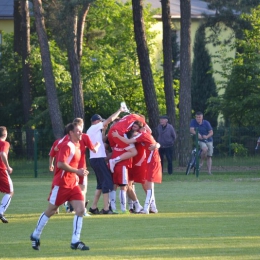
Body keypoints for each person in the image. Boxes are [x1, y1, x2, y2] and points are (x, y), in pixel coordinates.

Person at [30, 122, 90, 251]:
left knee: (80, 210)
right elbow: (61, 164)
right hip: (61, 184)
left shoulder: (78, 145)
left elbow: (73, 165)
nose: (81, 133)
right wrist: (77, 171)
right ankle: (35, 234)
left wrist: (81, 171)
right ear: (71, 133)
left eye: (81, 131)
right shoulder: (67, 145)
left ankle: (75, 241)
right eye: (78, 131)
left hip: (72, 184)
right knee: (50, 210)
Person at [112, 121, 162, 214]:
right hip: (141, 161)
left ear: (141, 128)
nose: (134, 128)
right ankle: (139, 207)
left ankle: (147, 208)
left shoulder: (142, 135)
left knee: (147, 184)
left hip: (150, 161)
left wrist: (117, 135)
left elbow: (128, 141)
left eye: (136, 127)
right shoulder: (138, 134)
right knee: (135, 184)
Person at [87, 108, 125, 214]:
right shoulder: (94, 127)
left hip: (95, 159)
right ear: (96, 122)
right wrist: (120, 110)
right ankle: (106, 208)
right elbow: (110, 119)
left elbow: (102, 140)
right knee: (106, 183)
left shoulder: (93, 130)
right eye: (101, 122)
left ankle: (94, 207)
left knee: (100, 184)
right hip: (97, 159)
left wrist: (104, 130)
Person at [0, 126, 13, 224]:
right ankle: (0, 211)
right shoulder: (5, 143)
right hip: (1, 170)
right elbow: (3, 154)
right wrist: (8, 166)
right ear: (5, 134)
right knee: (10, 191)